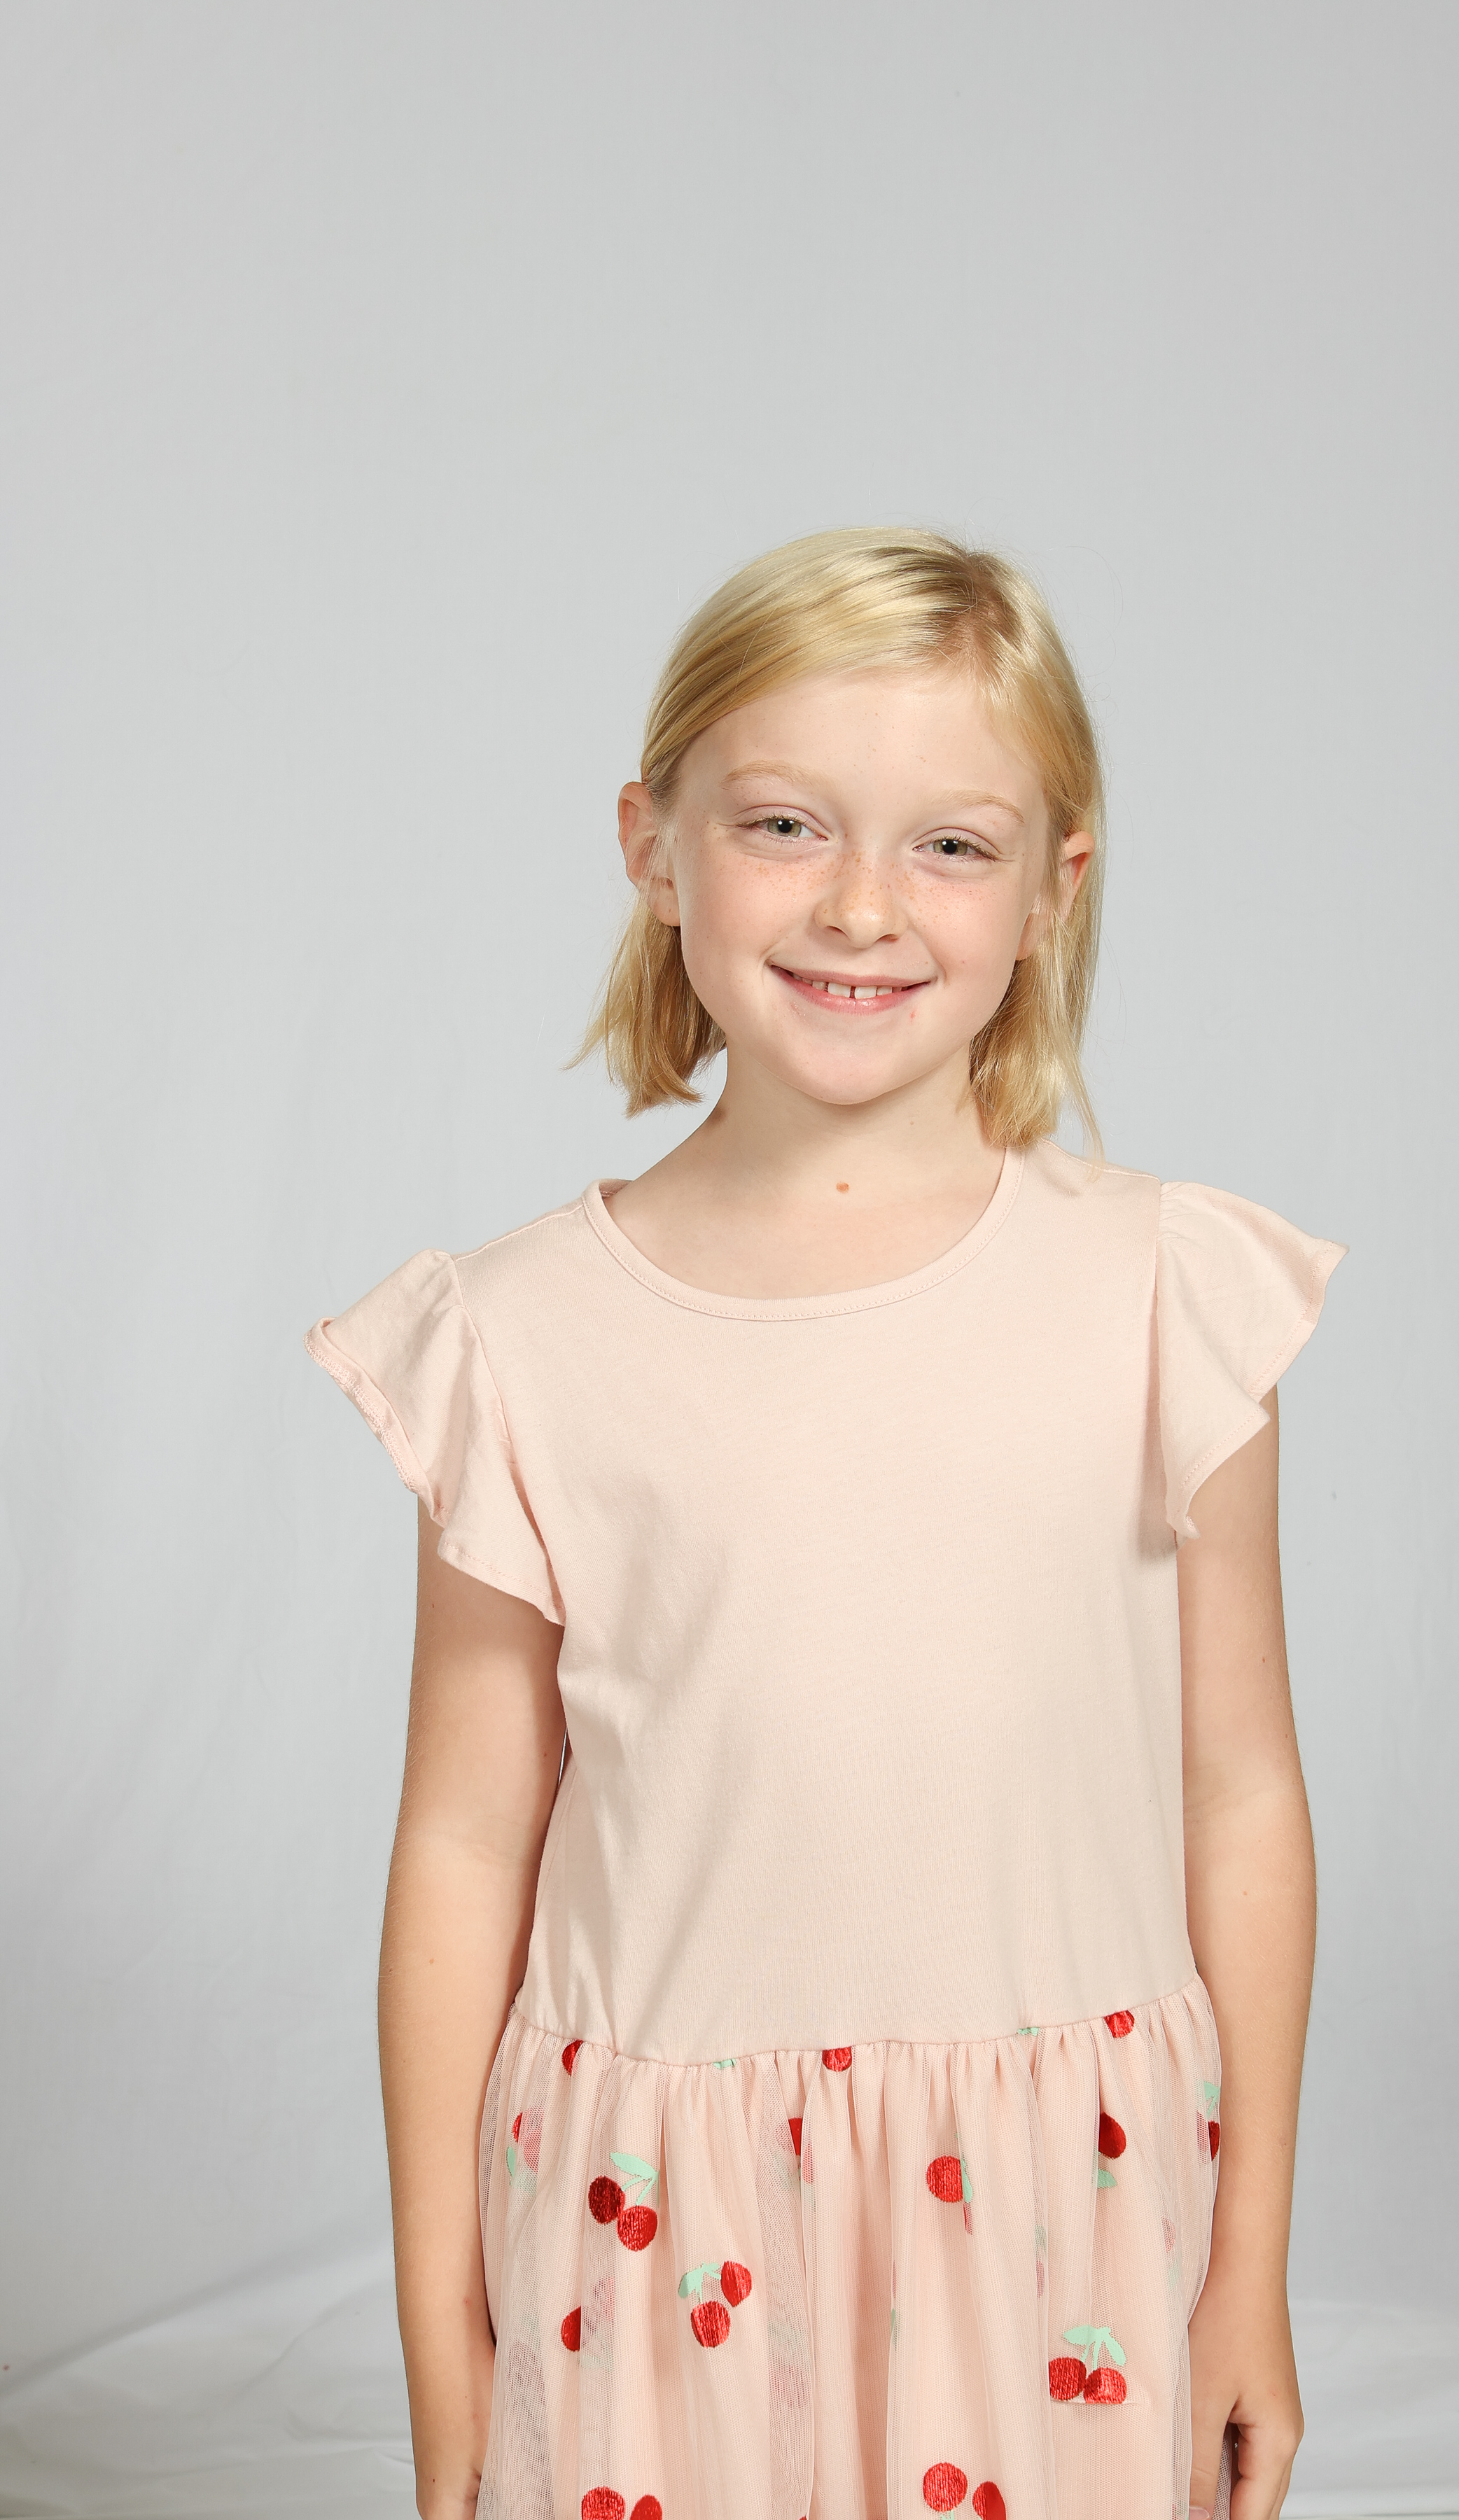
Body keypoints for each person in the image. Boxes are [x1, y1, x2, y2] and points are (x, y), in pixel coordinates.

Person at [305, 527, 1343, 2520]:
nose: (862, 904)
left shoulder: (1164, 1292)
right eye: (784, 825)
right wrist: (442, 2320)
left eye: (950, 845)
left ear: (1054, 888)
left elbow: (1239, 1790)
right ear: (653, 845)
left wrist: (1252, 2264)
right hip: (649, 2227)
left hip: (1062, 2222)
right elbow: (464, 1839)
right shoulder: (517, 1338)